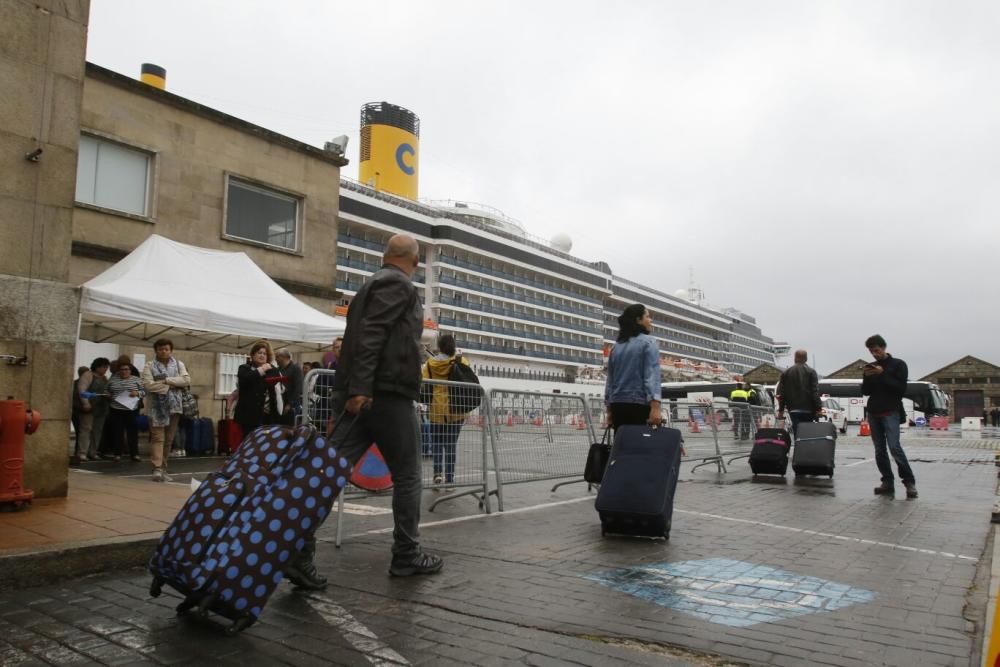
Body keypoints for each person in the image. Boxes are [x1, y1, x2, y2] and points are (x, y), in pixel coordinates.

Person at [288, 233, 442, 588]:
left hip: (360, 395)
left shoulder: (366, 288)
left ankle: (298, 551)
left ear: (385, 255)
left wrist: (354, 389)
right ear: (416, 263)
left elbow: (361, 337)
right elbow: (372, 335)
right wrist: (362, 389)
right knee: (407, 476)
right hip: (384, 395)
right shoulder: (398, 286)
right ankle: (406, 555)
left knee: (330, 474)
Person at [862, 334, 917, 498]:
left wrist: (883, 374)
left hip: (890, 411)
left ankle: (909, 482)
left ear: (884, 347)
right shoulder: (872, 367)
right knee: (879, 450)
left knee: (894, 447)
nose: (874, 354)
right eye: (871, 352)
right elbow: (866, 391)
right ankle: (887, 481)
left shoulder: (898, 365)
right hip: (873, 411)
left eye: (876, 350)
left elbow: (900, 389)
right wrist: (867, 377)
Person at [604, 303, 661, 432]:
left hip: (617, 405)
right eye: (647, 316)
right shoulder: (649, 342)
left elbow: (610, 381)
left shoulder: (616, 346)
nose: (650, 321)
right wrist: (656, 407)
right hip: (639, 404)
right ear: (638, 320)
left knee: (623, 447)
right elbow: (651, 376)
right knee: (641, 447)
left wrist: (609, 410)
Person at [422, 333, 469, 485]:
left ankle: (437, 474)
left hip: (436, 410)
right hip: (456, 410)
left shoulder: (430, 364)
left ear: (439, 346)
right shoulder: (461, 360)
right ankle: (449, 479)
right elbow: (469, 379)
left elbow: (423, 385)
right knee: (450, 445)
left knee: (436, 444)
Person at [142, 339, 191, 482]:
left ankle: (164, 467)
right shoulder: (149, 365)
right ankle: (157, 468)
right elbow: (147, 385)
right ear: (156, 350)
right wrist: (171, 386)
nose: (164, 351)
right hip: (156, 408)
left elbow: (186, 380)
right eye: (160, 349)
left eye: (166, 349)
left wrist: (166, 380)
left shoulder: (178, 364)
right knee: (158, 438)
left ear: (171, 350)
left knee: (169, 440)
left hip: (174, 406)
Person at [234, 341, 281, 436]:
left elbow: (275, 386)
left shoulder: (273, 370)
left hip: (267, 415)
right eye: (259, 353)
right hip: (248, 415)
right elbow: (246, 380)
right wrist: (262, 369)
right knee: (250, 442)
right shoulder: (244, 368)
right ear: (253, 354)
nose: (262, 355)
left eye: (265, 354)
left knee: (265, 443)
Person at [106, 355, 144, 461]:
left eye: (126, 369)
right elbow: (106, 389)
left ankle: (135, 454)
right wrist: (107, 395)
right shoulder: (113, 379)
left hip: (131, 410)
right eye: (122, 369)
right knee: (117, 432)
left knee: (132, 432)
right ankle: (117, 454)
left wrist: (137, 393)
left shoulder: (136, 379)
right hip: (116, 409)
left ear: (130, 370)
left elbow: (144, 392)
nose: (124, 371)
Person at [776, 349, 822, 436]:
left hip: (793, 409)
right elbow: (814, 392)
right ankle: (805, 447)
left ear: (795, 358)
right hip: (808, 409)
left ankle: (798, 445)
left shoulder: (786, 373)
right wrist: (818, 408)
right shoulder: (811, 372)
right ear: (806, 358)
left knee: (797, 432)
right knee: (807, 433)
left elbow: (782, 393)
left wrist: (781, 410)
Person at [77, 358, 111, 461]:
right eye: (104, 367)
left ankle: (93, 452)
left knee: (97, 431)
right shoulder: (88, 375)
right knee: (86, 430)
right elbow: (81, 390)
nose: (105, 369)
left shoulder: (105, 378)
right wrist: (85, 403)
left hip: (101, 409)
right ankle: (82, 453)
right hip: (89, 408)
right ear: (97, 366)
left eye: (106, 367)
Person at [274, 348, 303, 426]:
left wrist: (290, 404)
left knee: (290, 429)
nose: (275, 359)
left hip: (291, 406)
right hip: (280, 404)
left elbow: (298, 388)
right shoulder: (278, 369)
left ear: (284, 357)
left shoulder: (296, 369)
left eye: (277, 356)